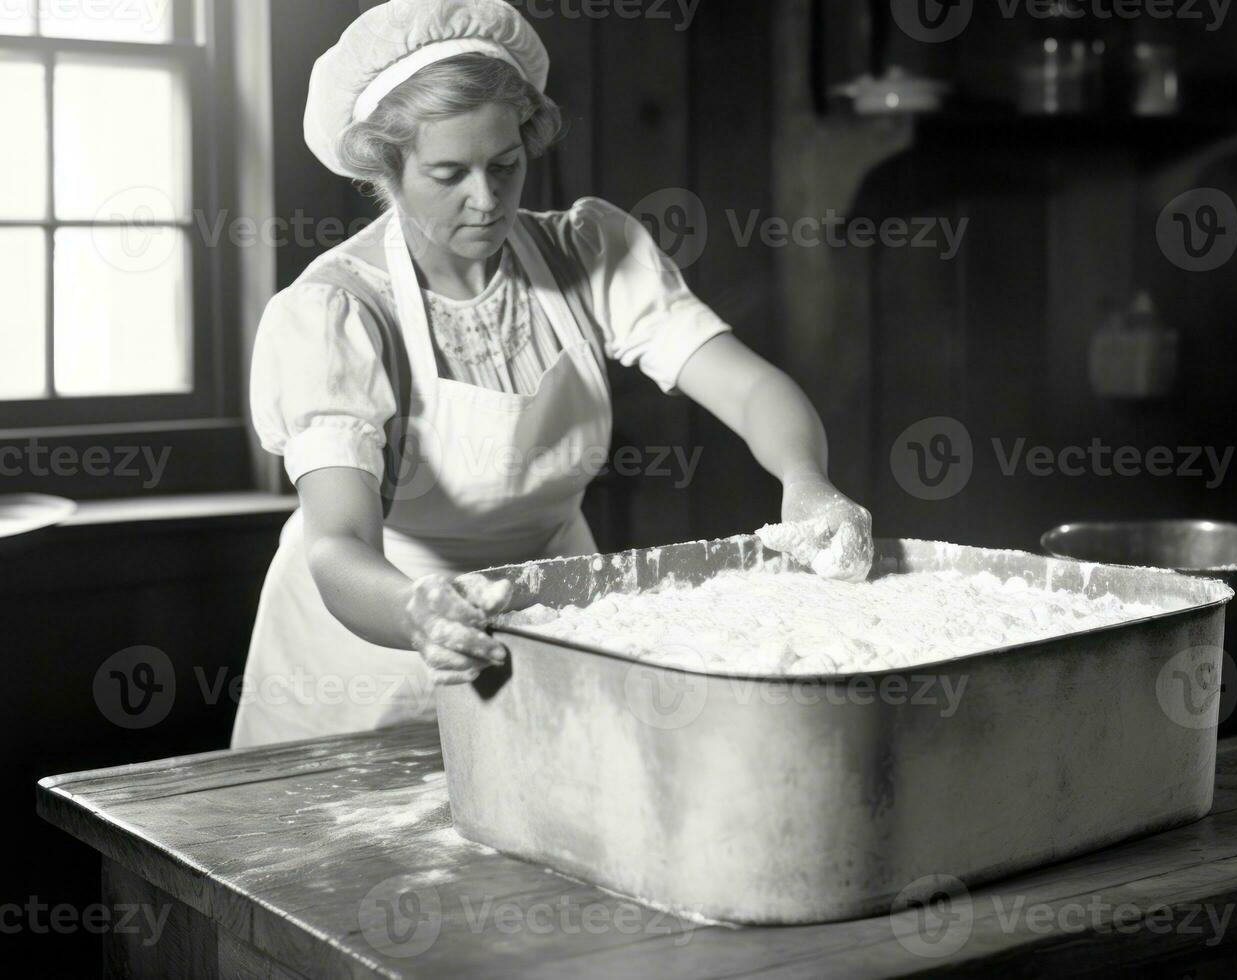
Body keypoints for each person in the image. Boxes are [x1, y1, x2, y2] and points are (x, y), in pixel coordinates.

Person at [231, 0, 872, 748]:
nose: (487, 197)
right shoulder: (337, 312)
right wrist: (419, 612)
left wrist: (805, 480)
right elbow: (336, 543)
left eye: (505, 165)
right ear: (386, 167)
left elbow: (751, 388)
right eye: (449, 173)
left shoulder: (587, 253)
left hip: (554, 619)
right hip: (376, 650)